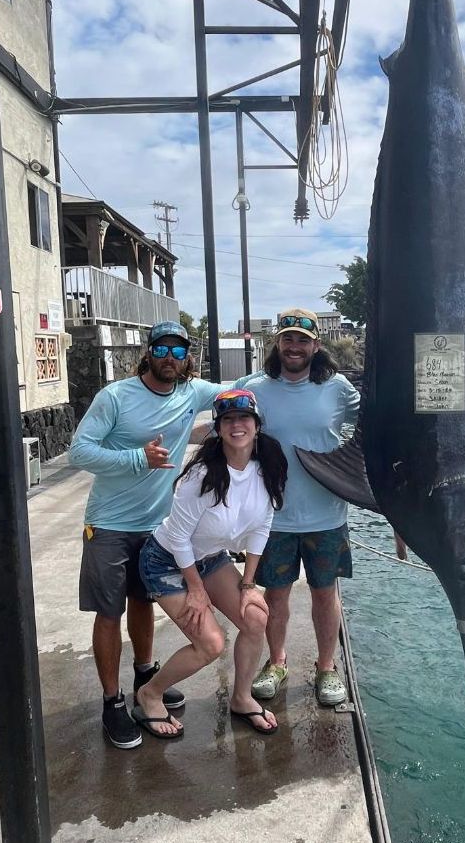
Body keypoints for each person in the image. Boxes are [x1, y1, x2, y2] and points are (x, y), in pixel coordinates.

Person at [69, 321, 222, 749]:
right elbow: (80, 451)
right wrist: (138, 457)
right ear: (149, 351)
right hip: (109, 525)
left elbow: (241, 389)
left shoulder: (192, 393)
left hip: (155, 527)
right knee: (108, 612)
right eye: (163, 349)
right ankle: (111, 702)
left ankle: (143, 675)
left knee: (143, 602)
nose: (170, 358)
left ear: (187, 356)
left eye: (179, 351)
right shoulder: (116, 396)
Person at [133, 388, 288, 738]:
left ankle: (242, 697)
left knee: (255, 617)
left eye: (244, 418)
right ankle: (150, 693)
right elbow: (177, 538)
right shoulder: (202, 476)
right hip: (167, 561)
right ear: (218, 429)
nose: (237, 426)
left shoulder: (268, 468)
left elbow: (263, 526)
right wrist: (196, 589)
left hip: (209, 558)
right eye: (228, 420)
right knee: (210, 644)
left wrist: (248, 585)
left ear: (257, 425)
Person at [237, 309, 360, 707]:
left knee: (326, 595)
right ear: (277, 344)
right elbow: (227, 428)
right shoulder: (254, 387)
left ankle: (327, 668)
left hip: (327, 515)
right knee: (276, 596)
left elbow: (379, 427)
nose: (294, 347)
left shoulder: (339, 388)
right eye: (288, 339)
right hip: (272, 517)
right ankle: (276, 661)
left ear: (316, 346)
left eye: (303, 340)